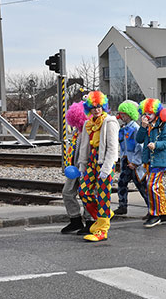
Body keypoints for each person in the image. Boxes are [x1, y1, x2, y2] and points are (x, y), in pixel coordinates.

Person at [77, 91, 119, 242]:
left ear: (104, 106)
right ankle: (103, 216)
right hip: (92, 161)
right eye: (93, 107)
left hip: (105, 161)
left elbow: (113, 148)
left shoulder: (110, 122)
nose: (96, 109)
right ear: (89, 108)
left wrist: (106, 168)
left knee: (103, 196)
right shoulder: (88, 124)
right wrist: (82, 166)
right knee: (83, 191)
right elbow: (84, 147)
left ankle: (102, 230)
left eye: (99, 106)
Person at [136, 98, 166, 228]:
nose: (147, 116)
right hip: (149, 161)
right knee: (157, 187)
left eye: (149, 113)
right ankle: (164, 213)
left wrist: (156, 145)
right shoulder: (147, 126)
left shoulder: (163, 125)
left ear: (156, 113)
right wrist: (142, 127)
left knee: (152, 186)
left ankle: (155, 215)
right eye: (145, 113)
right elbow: (138, 139)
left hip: (159, 161)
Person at [60, 101, 93, 234]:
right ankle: (75, 220)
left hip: (86, 168)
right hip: (74, 169)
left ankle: (90, 221)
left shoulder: (90, 131)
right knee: (67, 192)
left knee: (87, 194)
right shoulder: (76, 133)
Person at [115, 100, 149, 216]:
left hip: (134, 162)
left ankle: (152, 209)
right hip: (126, 160)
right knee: (121, 183)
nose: (121, 116)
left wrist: (135, 162)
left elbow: (140, 146)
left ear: (130, 113)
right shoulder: (124, 128)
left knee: (141, 185)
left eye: (123, 114)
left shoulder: (135, 128)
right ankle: (122, 206)